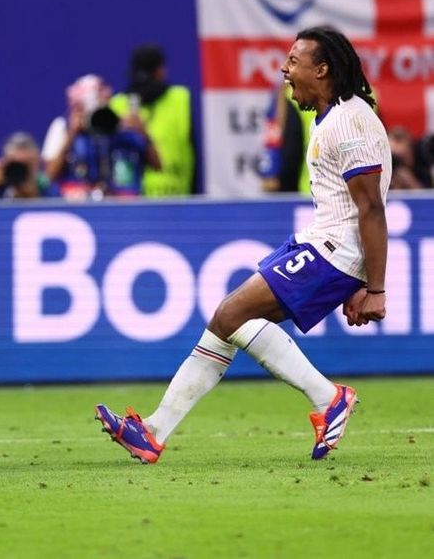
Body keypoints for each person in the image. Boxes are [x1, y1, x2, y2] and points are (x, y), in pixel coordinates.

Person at [95, 26, 390, 464]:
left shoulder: (349, 121)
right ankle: (153, 432)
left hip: (333, 250)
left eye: (294, 61)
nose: (285, 70)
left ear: (323, 69)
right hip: (323, 244)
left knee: (231, 315)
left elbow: (372, 209)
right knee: (228, 319)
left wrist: (373, 286)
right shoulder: (333, 116)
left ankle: (327, 398)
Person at [42, 74, 160, 199]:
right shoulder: (62, 127)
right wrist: (71, 134)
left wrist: (143, 133)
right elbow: (48, 176)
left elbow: (158, 165)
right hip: (76, 206)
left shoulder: (124, 131)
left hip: (124, 207)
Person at [107, 44, 194, 197]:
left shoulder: (180, 99)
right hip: (130, 200)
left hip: (176, 200)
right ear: (160, 71)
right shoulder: (117, 105)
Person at [0, 131, 58, 199]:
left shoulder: (45, 185)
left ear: (36, 163)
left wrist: (34, 194)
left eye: (26, 163)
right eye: (16, 164)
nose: (20, 170)